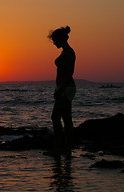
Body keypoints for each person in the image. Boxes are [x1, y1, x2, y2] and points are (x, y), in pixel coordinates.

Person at [48, 26, 76, 156]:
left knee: (55, 117)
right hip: (64, 87)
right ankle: (66, 148)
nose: (54, 43)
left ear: (60, 39)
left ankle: (60, 147)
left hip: (66, 87)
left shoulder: (69, 53)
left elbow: (69, 73)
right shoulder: (65, 52)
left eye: (55, 40)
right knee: (66, 118)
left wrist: (60, 89)